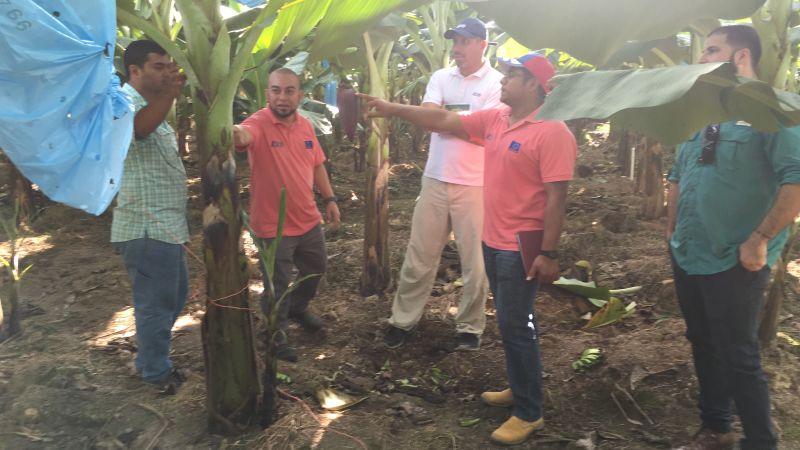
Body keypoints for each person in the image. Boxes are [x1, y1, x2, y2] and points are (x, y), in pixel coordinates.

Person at [362, 52, 577, 445]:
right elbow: (444, 120)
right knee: (512, 322)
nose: (503, 81)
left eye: (512, 76)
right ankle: (520, 386)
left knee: (517, 325)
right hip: (493, 238)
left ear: (534, 84)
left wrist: (548, 252)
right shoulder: (497, 118)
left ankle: (529, 412)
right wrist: (391, 109)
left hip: (521, 244)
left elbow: (556, 198)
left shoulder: (553, 131)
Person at [666, 25, 800, 450]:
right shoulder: (703, 112)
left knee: (738, 353)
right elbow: (677, 173)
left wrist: (760, 238)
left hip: (735, 257)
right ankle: (717, 426)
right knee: (702, 342)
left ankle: (762, 441)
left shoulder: (771, 110)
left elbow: (796, 180)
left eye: (711, 50)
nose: (701, 58)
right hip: (690, 251)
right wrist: (672, 230)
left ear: (740, 57)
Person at [384, 18, 503, 351]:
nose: (457, 48)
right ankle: (402, 320)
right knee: (419, 254)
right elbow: (428, 120)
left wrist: (445, 121)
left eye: (464, 42)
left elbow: (487, 134)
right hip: (435, 179)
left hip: (475, 184)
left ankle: (470, 327)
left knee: (475, 261)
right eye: (455, 41)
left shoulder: (496, 83)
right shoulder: (440, 77)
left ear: (482, 44)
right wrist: (461, 124)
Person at [233, 68, 340, 363]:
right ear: (267, 93)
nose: (282, 97)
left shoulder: (305, 125)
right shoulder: (259, 123)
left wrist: (330, 199)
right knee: (277, 283)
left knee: (316, 269)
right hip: (273, 225)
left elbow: (317, 164)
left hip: (308, 219)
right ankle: (274, 333)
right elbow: (243, 135)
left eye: (289, 90)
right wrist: (233, 131)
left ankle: (297, 307)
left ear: (300, 95)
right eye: (276, 90)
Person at [112, 40, 189, 394]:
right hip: (145, 226)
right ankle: (156, 373)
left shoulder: (154, 107)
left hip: (166, 226)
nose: (166, 73)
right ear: (134, 70)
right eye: (158, 67)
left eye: (168, 66)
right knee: (155, 304)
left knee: (175, 296)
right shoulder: (122, 102)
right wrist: (170, 94)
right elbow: (137, 131)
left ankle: (149, 360)